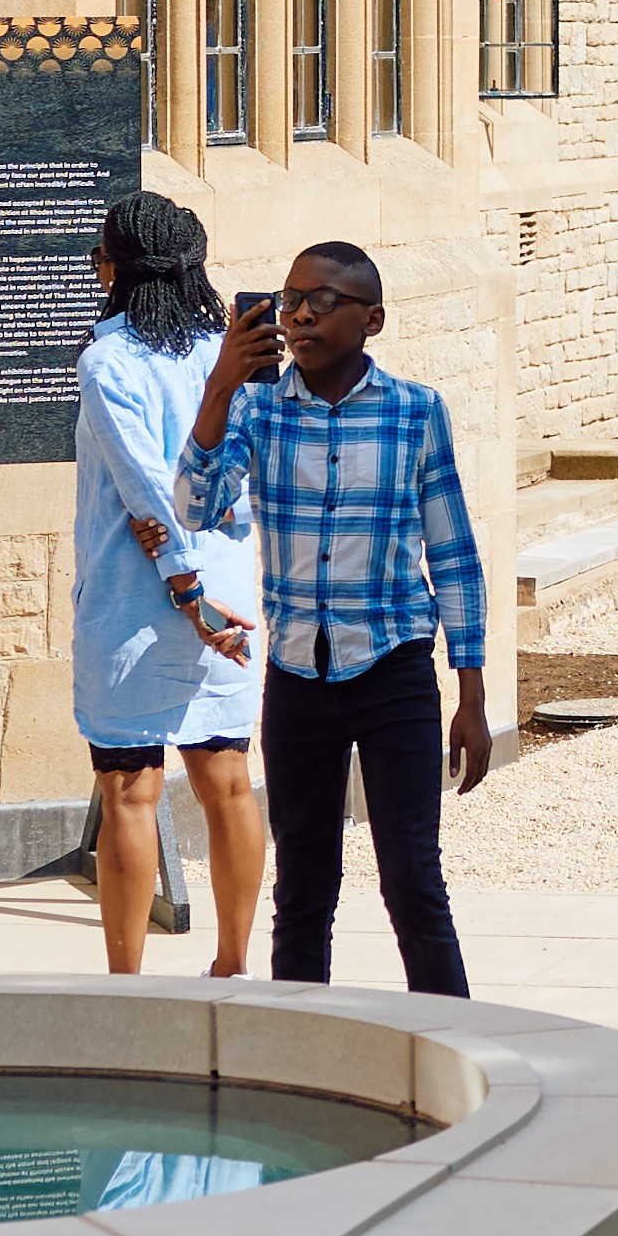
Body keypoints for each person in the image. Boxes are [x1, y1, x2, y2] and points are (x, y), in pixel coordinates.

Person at [193, 239, 498, 994]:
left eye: (322, 301)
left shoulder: (415, 412)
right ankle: (302, 1059)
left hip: (392, 670)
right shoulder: (259, 410)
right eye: (290, 299)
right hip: (298, 676)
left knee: (413, 884)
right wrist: (221, 386)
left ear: (373, 319)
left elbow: (453, 552)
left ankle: (452, 1048)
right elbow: (193, 507)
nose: (299, 315)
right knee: (301, 892)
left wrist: (473, 696)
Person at [62, 189, 266, 976]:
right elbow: (242, 477)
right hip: (225, 583)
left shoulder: (109, 359)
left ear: (115, 271)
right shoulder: (230, 347)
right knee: (229, 786)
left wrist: (183, 586)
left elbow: (145, 482)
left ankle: (127, 984)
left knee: (129, 796)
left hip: (143, 601)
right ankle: (233, 965)